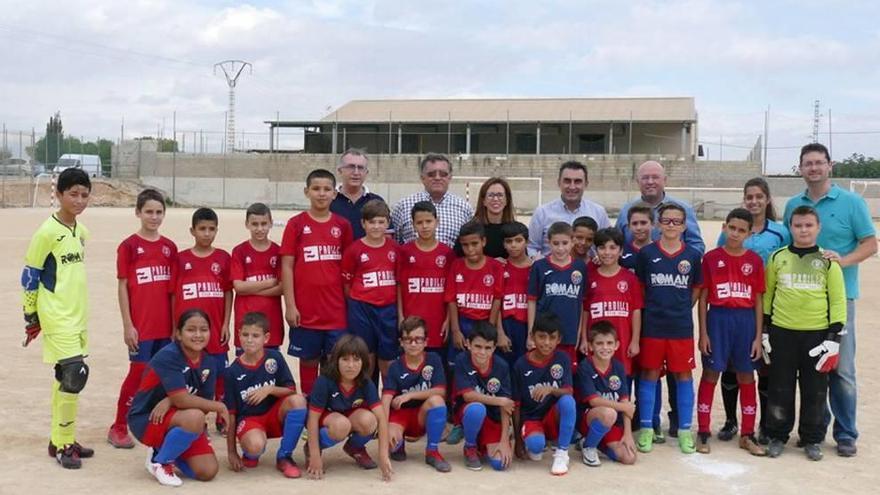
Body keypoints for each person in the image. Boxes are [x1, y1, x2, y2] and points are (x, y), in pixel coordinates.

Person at [783, 143, 877, 457]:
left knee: (841, 369)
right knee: (813, 368)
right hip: (803, 301)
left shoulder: (851, 202)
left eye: (818, 163)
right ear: (800, 168)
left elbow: (870, 243)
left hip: (840, 299)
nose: (813, 168)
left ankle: (846, 433)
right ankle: (814, 431)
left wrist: (842, 262)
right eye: (807, 163)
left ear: (830, 165)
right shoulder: (794, 204)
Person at [21, 167, 95, 468]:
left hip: (78, 315)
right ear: (60, 195)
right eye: (73, 194)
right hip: (56, 316)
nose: (79, 200)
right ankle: (65, 445)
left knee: (63, 377)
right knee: (75, 375)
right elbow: (30, 276)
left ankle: (59, 438)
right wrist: (31, 315)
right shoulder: (46, 232)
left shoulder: (82, 232)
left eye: (84, 195)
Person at [763, 205, 847, 461]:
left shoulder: (828, 261)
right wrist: (765, 330)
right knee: (780, 388)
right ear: (790, 227)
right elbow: (768, 296)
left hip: (817, 336)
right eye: (798, 225)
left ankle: (811, 438)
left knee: (815, 390)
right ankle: (777, 435)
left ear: (818, 228)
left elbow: (837, 301)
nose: (803, 230)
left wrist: (834, 339)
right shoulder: (778, 258)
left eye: (809, 225)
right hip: (782, 333)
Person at [715, 178, 788, 443]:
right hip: (738, 310)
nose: (754, 201)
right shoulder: (731, 230)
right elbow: (719, 261)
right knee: (732, 366)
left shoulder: (780, 232)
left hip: (770, 309)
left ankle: (765, 424)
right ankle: (731, 421)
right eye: (749, 197)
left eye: (759, 196)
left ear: (767, 199)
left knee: (765, 367)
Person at [108, 188, 177, 449]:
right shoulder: (129, 246)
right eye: (149, 211)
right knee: (137, 374)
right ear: (138, 212)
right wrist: (128, 325)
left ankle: (155, 423)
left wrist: (174, 327)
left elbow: (172, 293)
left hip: (164, 328)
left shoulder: (169, 248)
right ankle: (118, 426)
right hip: (142, 327)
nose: (154, 217)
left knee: (162, 377)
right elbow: (123, 287)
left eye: (159, 212)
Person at [127, 309, 228, 486]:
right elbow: (183, 400)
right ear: (179, 334)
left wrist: (170, 399)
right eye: (191, 330)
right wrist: (219, 406)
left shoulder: (209, 362)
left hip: (179, 416)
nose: (198, 335)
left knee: (208, 471)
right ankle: (160, 461)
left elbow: (202, 404)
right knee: (195, 417)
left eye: (203, 329)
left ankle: (166, 449)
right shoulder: (169, 355)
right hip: (147, 417)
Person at [695, 208, 766, 456]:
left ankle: (747, 434)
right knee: (711, 373)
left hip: (745, 322)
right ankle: (703, 431)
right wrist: (703, 333)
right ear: (724, 227)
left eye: (741, 230)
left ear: (749, 233)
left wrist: (758, 336)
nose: (735, 234)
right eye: (732, 228)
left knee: (746, 376)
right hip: (718, 319)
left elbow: (758, 301)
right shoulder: (711, 258)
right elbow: (703, 299)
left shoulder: (755, 261)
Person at [634, 203, 702, 455]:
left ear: (684, 226)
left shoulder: (692, 255)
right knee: (650, 374)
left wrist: (682, 307)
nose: (671, 225)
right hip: (653, 326)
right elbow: (641, 289)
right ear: (658, 224)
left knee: (683, 376)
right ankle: (647, 429)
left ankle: (685, 430)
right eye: (667, 221)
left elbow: (695, 289)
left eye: (677, 221)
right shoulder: (647, 254)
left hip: (680, 327)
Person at [280, 169, 353, 395]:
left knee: (334, 361)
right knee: (309, 361)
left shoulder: (342, 226)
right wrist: (290, 305)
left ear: (334, 193)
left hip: (335, 311)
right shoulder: (296, 224)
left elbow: (348, 269)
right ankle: (309, 403)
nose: (321, 194)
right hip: (306, 311)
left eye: (327, 189)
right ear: (307, 192)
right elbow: (287, 266)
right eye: (316, 189)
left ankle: (329, 405)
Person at [224, 312, 307, 478]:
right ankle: (251, 454)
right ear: (238, 335)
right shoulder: (232, 372)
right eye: (245, 334)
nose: (249, 339)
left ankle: (284, 456)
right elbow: (231, 415)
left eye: (255, 335)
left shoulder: (274, 358)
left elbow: (291, 390)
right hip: (250, 420)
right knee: (255, 446)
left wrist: (269, 389)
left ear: (266, 338)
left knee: (298, 401)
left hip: (274, 415)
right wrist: (232, 452)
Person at [172, 207, 232, 434]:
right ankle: (199, 419)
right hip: (190, 332)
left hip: (214, 328)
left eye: (211, 229)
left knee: (218, 374)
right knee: (193, 375)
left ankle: (221, 415)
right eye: (202, 229)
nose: (207, 233)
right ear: (192, 230)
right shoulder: (181, 259)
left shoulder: (223, 258)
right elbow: (174, 295)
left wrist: (226, 322)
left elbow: (228, 292)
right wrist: (174, 327)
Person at [305, 334, 393, 480]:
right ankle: (312, 448)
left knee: (370, 420)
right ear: (336, 360)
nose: (350, 365)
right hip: (327, 419)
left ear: (364, 361)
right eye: (345, 359)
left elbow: (382, 418)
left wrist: (383, 456)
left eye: (356, 359)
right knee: (341, 425)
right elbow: (313, 419)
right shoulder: (325, 381)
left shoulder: (365, 381)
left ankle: (354, 447)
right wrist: (314, 455)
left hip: (348, 415)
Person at [382, 316, 450, 472]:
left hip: (422, 415)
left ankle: (432, 451)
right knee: (391, 441)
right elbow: (386, 399)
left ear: (426, 341)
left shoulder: (434, 359)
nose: (413, 344)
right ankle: (399, 446)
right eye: (408, 339)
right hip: (400, 417)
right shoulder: (395, 366)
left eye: (418, 339)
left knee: (437, 401)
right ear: (401, 342)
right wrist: (384, 428)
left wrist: (410, 395)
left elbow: (441, 391)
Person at [512, 313, 576, 476]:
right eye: (541, 337)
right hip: (531, 418)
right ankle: (535, 439)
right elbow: (516, 405)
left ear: (559, 339)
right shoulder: (521, 364)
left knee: (568, 401)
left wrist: (551, 389)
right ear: (532, 337)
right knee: (535, 448)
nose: (547, 343)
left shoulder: (562, 358)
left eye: (552, 337)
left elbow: (568, 390)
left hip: (552, 418)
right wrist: (518, 442)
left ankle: (562, 453)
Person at [342, 199, 399, 378]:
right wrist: (356, 301)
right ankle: (369, 397)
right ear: (363, 223)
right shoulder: (354, 250)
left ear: (387, 223)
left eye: (381, 222)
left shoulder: (395, 249)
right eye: (372, 222)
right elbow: (346, 283)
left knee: (388, 357)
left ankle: (388, 397)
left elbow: (399, 282)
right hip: (362, 308)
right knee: (366, 355)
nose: (376, 226)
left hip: (388, 309)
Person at [581, 227, 642, 379]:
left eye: (612, 248)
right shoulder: (589, 278)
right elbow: (585, 311)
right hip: (596, 343)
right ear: (596, 250)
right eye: (602, 247)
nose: (607, 252)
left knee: (622, 384)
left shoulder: (630, 278)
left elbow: (636, 311)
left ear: (621, 251)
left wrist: (635, 341)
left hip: (621, 340)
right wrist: (583, 339)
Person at [453, 321, 514, 471]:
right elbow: (468, 395)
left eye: (488, 348)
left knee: (500, 465)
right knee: (477, 409)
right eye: (478, 346)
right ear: (468, 344)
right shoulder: (462, 360)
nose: (482, 352)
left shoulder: (501, 366)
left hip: (493, 418)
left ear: (494, 348)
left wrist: (504, 440)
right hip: (468, 413)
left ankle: (488, 444)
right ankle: (470, 446)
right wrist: (498, 400)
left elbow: (506, 406)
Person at [576, 321, 637, 467]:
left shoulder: (618, 367)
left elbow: (625, 401)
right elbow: (594, 401)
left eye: (609, 343)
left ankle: (597, 444)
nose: (605, 347)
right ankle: (588, 446)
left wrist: (628, 434)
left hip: (612, 423)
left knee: (629, 458)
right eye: (599, 343)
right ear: (591, 346)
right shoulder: (585, 367)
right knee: (609, 413)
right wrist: (624, 408)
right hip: (590, 419)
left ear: (616, 345)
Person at [396, 201, 454, 357]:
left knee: (437, 369)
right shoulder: (404, 251)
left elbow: (451, 290)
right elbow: (400, 285)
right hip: (411, 321)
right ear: (413, 225)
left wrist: (448, 319)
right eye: (419, 222)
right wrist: (401, 315)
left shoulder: (447, 253)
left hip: (437, 322)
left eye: (428, 221)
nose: (425, 226)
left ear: (437, 221)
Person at [446, 221, 505, 368]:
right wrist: (456, 330)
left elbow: (497, 299)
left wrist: (491, 329)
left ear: (483, 241)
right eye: (466, 245)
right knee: (458, 366)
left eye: (474, 244)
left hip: (485, 322)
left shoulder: (495, 267)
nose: (470, 249)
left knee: (484, 365)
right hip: (463, 322)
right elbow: (451, 300)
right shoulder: (456, 265)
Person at [528, 222, 587, 366]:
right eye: (556, 243)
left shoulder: (580, 267)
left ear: (573, 242)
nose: (560, 248)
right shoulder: (539, 266)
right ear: (549, 243)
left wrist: (578, 334)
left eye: (565, 243)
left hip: (569, 333)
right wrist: (530, 334)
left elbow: (581, 303)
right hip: (544, 334)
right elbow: (532, 301)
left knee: (566, 377)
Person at [616, 160, 705, 254]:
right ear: (638, 182)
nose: (650, 182)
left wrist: (679, 262)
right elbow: (616, 244)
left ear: (665, 180)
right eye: (645, 178)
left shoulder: (684, 209)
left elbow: (696, 245)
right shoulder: (626, 210)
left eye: (655, 177)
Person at [231, 203, 283, 352]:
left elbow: (281, 288)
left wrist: (251, 289)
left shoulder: (277, 251)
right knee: (244, 370)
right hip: (246, 322)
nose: (259, 229)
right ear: (247, 224)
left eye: (264, 224)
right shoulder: (239, 251)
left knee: (270, 371)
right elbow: (239, 287)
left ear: (271, 223)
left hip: (271, 323)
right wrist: (269, 282)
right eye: (254, 224)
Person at [528, 161, 610, 256]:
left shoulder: (598, 212)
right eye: (567, 181)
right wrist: (539, 262)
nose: (572, 186)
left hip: (587, 269)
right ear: (559, 182)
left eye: (577, 181)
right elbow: (532, 247)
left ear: (586, 184)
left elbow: (607, 243)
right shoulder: (542, 213)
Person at [391, 153, 473, 247]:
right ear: (422, 178)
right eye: (431, 174)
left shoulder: (465, 208)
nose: (437, 178)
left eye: (443, 174)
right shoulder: (402, 207)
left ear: (449, 178)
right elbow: (395, 243)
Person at [330, 148, 389, 242]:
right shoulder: (328, 201)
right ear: (340, 171)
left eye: (361, 168)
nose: (356, 172)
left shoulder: (377, 202)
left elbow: (387, 237)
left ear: (366, 172)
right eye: (351, 167)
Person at [454, 177, 516, 259]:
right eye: (491, 195)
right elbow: (458, 259)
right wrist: (490, 263)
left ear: (507, 200)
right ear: (483, 201)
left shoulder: (515, 230)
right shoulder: (471, 230)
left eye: (500, 195)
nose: (495, 199)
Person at [499, 222, 532, 365]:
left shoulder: (537, 268)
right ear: (503, 244)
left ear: (527, 242)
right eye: (509, 241)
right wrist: (500, 333)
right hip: (507, 326)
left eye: (518, 240)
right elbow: (496, 303)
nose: (513, 245)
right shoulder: (499, 267)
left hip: (528, 326)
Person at [619, 203, 654, 272]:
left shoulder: (660, 251)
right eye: (634, 223)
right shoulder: (620, 252)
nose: (639, 228)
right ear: (629, 226)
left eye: (643, 223)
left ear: (652, 225)